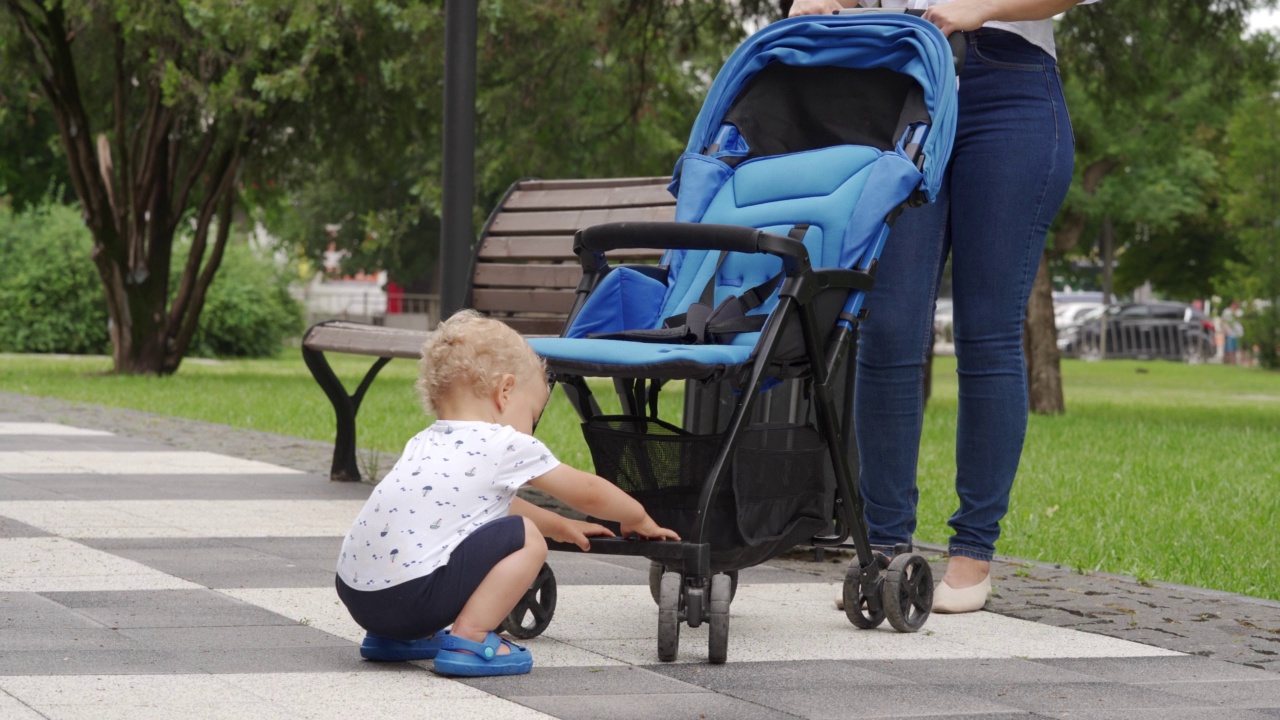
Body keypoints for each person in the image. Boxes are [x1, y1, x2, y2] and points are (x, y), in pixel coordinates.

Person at [789, 0, 1096, 612]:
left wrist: (978, 8)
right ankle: (885, 552)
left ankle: (973, 554)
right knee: (891, 329)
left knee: (987, 332)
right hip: (900, 77)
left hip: (1011, 85)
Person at [335, 310, 679, 676]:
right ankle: (470, 640)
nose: (530, 429)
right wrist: (637, 517)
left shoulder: (423, 442)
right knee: (528, 539)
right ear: (505, 392)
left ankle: (394, 639)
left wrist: (561, 525)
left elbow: (494, 506)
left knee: (508, 528)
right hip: (416, 599)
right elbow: (589, 493)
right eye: (532, 415)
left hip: (361, 600)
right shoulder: (503, 442)